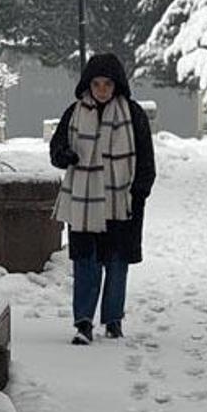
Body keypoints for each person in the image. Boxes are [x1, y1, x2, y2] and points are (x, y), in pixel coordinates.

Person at [49, 52, 156, 345]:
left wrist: (139, 192)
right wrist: (65, 155)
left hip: (122, 201)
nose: (102, 90)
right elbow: (56, 149)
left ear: (117, 85)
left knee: (117, 262)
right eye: (96, 84)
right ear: (88, 84)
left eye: (108, 84)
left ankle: (113, 320)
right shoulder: (74, 113)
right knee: (86, 262)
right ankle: (83, 322)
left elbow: (146, 159)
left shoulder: (133, 115)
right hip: (84, 202)